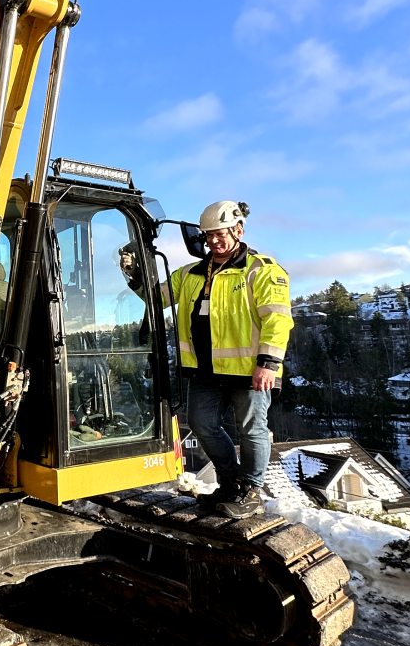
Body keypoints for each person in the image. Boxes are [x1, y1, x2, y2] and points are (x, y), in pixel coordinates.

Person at [121, 201, 292, 520]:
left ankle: (251, 491)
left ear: (238, 231)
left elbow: (278, 320)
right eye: (208, 235)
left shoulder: (262, 270)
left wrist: (267, 363)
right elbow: (155, 298)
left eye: (220, 235)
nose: (213, 241)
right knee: (201, 423)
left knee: (252, 429)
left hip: (249, 371)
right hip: (204, 371)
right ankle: (230, 483)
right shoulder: (189, 274)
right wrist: (134, 273)